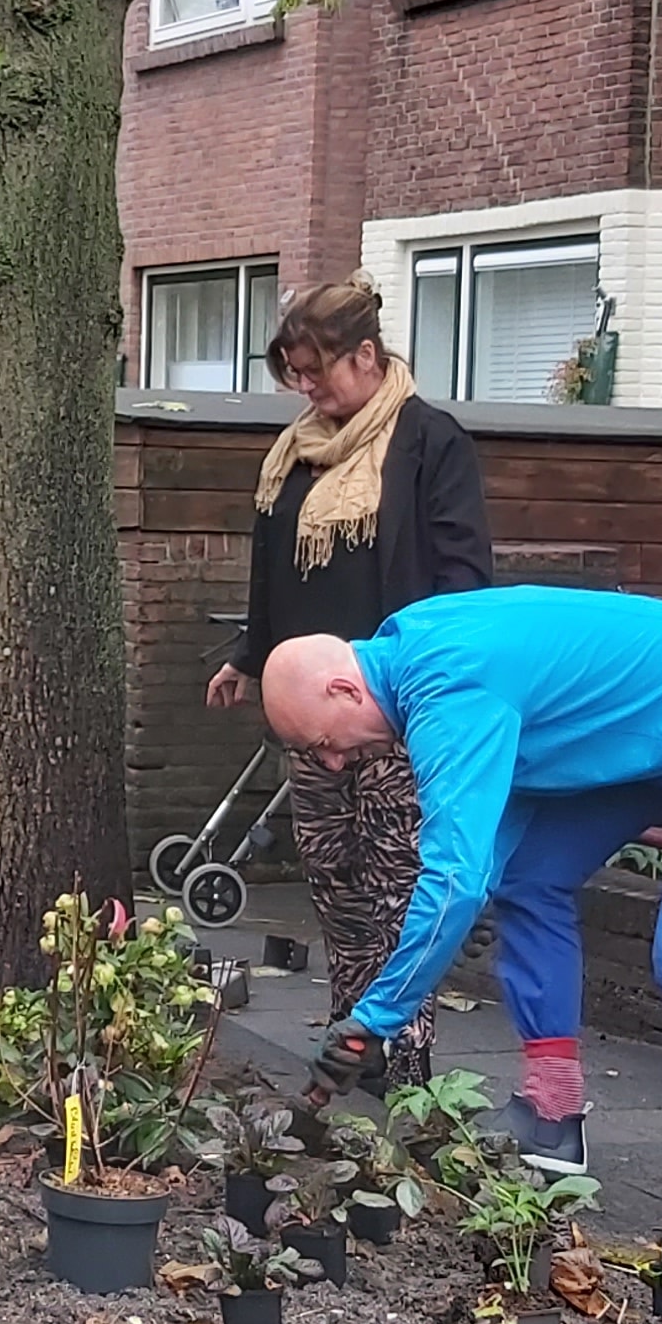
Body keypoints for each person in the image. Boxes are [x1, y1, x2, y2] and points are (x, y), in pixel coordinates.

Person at [258, 588, 662, 1239]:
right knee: (529, 880)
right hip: (645, 731)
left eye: (323, 743)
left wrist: (377, 1016)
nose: (331, 762)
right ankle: (552, 1118)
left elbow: (453, 885)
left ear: (345, 691)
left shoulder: (448, 693)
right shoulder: (408, 649)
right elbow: (498, 824)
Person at [203, 276, 489, 1090]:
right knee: (331, 873)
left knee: (398, 875)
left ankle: (405, 1043)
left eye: (315, 370)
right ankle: (350, 1027)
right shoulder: (294, 452)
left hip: (394, 705)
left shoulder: (431, 443)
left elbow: (466, 579)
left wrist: (433, 686)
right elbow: (275, 572)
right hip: (314, 709)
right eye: (293, 373)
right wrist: (250, 658)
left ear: (366, 355)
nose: (305, 387)